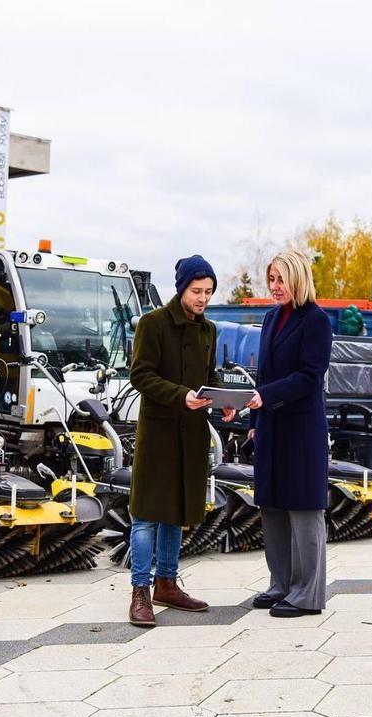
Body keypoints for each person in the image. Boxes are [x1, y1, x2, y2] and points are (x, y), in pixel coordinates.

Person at [126, 254, 235, 627]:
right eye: (197, 291)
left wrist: (222, 401)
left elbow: (209, 375)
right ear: (181, 289)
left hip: (191, 433)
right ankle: (140, 591)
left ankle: (167, 584)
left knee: (175, 511)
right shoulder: (152, 324)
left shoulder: (209, 330)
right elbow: (140, 375)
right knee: (146, 515)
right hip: (158, 432)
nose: (203, 298)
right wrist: (181, 396)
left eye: (208, 291)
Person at [243, 249, 332, 618]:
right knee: (273, 507)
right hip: (270, 427)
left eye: (281, 279)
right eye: (272, 280)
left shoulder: (316, 321)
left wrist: (266, 397)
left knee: (303, 510)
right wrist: (253, 424)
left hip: (301, 430)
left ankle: (306, 594)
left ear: (298, 278)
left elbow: (309, 377)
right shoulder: (270, 318)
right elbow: (264, 375)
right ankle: (280, 584)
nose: (275, 287)